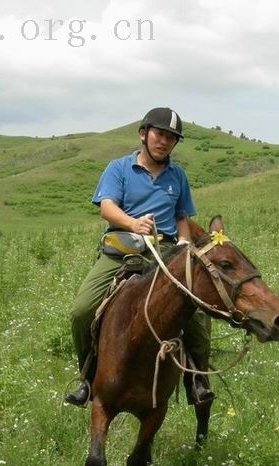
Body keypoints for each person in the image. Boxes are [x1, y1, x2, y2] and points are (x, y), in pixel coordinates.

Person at [64, 107, 214, 407]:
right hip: (123, 248)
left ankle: (197, 379)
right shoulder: (119, 168)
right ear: (144, 134)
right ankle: (87, 376)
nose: (164, 141)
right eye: (160, 134)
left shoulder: (178, 175)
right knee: (81, 310)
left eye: (172, 138)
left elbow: (181, 214)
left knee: (198, 313)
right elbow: (106, 207)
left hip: (166, 253)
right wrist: (133, 223)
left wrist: (183, 241)